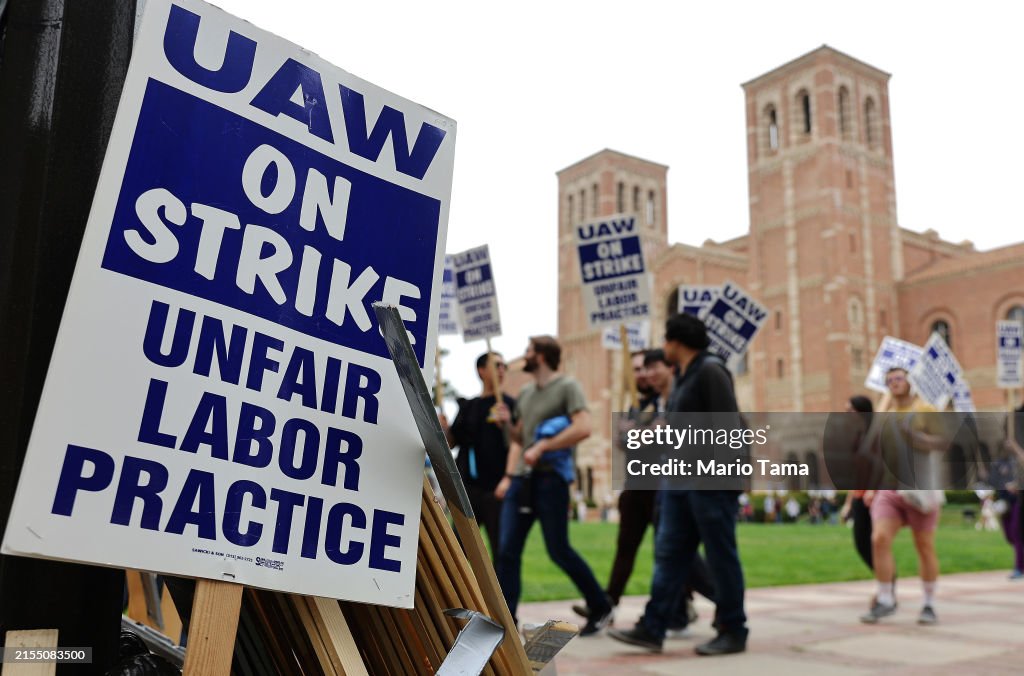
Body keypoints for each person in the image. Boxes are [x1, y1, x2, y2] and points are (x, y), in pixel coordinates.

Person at [609, 313, 748, 655]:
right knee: (669, 554)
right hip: (678, 482)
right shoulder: (683, 377)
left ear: (676, 342)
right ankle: (653, 627)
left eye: (665, 341)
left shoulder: (711, 370)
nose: (662, 347)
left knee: (720, 556)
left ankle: (732, 628)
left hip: (708, 482)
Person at [494, 335, 613, 635]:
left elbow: (583, 427)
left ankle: (600, 605)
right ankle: (506, 619)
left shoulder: (567, 387)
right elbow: (520, 439)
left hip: (551, 480)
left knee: (558, 550)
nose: (525, 355)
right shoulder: (524, 392)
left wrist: (544, 447)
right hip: (523, 479)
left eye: (529, 350)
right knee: (507, 550)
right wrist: (507, 424)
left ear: (543, 356)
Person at [860, 367, 945, 625]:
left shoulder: (925, 409)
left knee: (924, 545)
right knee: (879, 539)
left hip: (919, 487)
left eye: (898, 378)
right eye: (889, 380)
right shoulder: (885, 414)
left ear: (910, 381)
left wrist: (917, 438)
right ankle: (885, 599)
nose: (894, 383)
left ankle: (929, 604)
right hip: (889, 487)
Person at [439, 352, 514, 560]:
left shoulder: (508, 406)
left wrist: (508, 423)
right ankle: (454, 592)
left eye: (504, 366)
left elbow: (520, 441)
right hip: (469, 489)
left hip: (498, 490)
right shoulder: (469, 407)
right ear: (481, 371)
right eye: (497, 365)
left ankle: (501, 594)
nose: (502, 370)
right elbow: (452, 443)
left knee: (502, 551)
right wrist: (443, 430)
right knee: (458, 549)